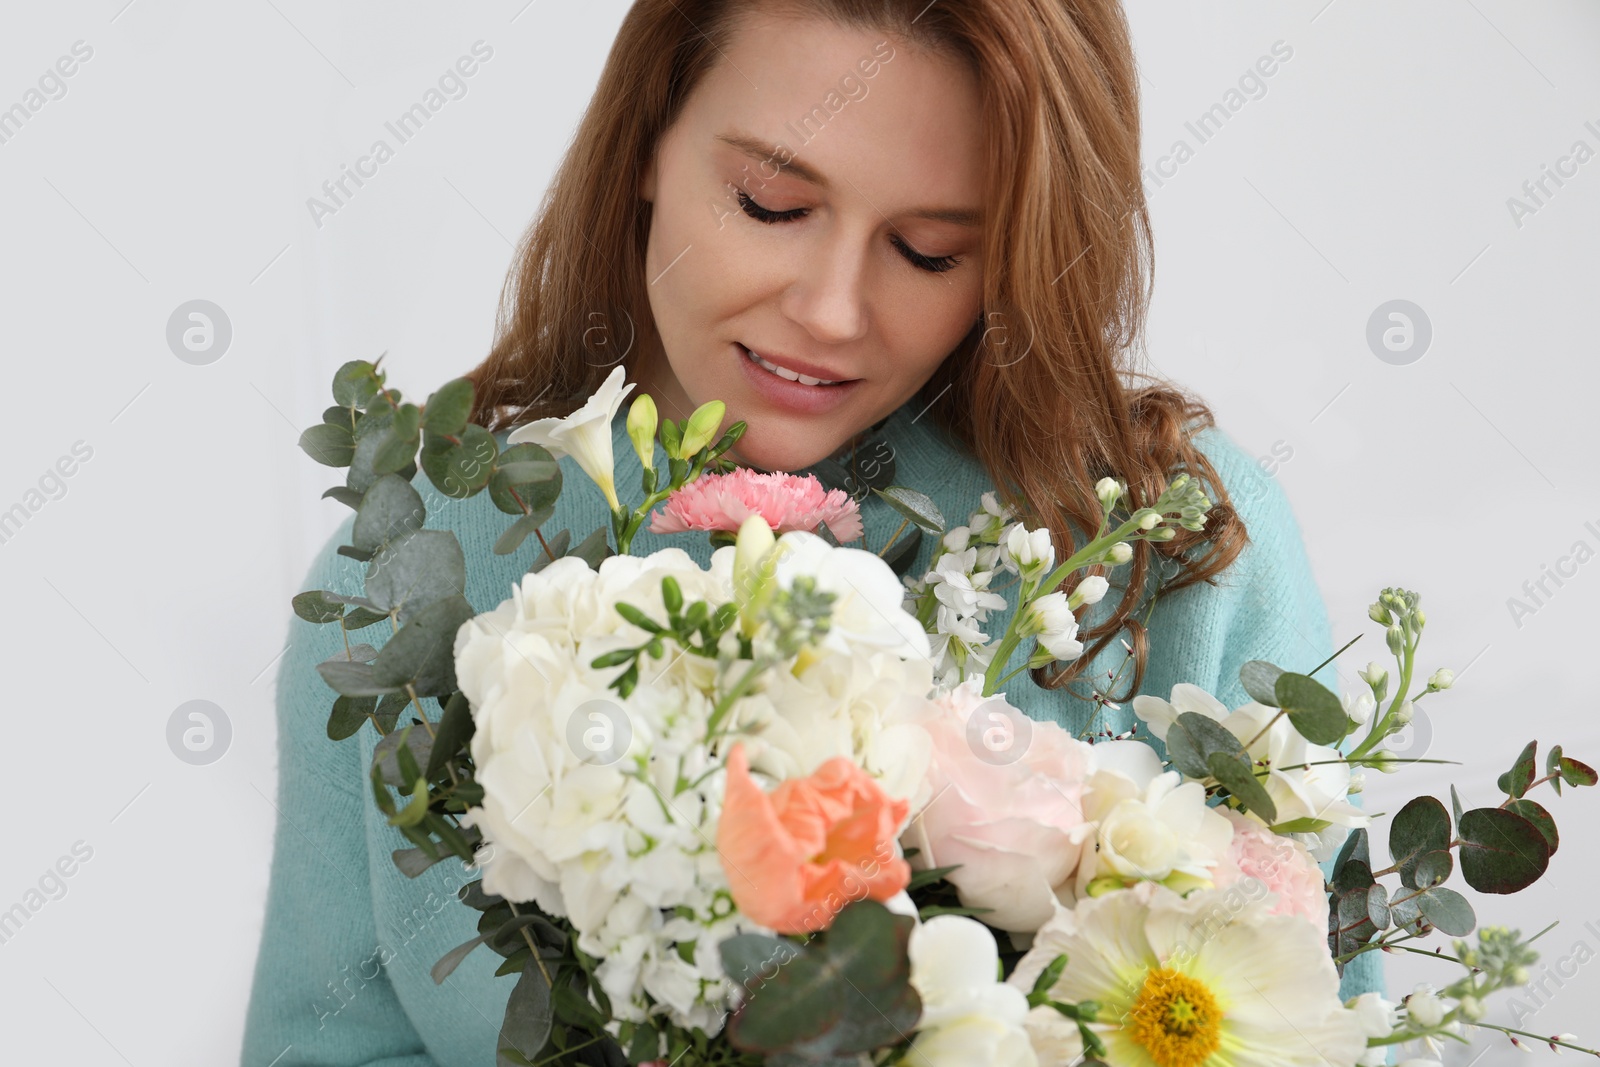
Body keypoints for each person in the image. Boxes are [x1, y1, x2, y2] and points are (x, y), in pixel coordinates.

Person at [242, 2, 1380, 1064]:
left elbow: (1341, 1016)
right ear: (646, 139)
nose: (832, 311)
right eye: (770, 206)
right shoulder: (417, 570)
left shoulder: (1170, 546)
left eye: (930, 250)